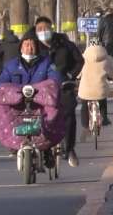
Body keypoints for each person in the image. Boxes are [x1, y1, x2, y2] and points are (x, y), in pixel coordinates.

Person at [0, 32, 63, 162]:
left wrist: (45, 88)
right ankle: (14, 144)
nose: (29, 48)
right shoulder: (11, 65)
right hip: (18, 104)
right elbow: (2, 82)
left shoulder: (47, 63)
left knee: (54, 113)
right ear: (21, 47)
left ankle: (47, 147)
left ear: (37, 47)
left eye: (32, 45)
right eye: (26, 45)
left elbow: (55, 79)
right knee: (4, 110)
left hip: (41, 103)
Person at [32, 17, 84, 167]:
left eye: (45, 28)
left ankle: (69, 149)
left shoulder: (64, 44)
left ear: (52, 28)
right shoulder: (33, 46)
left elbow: (79, 61)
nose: (43, 32)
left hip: (63, 86)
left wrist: (70, 75)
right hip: (40, 88)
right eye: (39, 29)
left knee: (68, 114)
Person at [78, 44, 113, 134]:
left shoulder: (83, 59)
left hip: (86, 90)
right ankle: (104, 119)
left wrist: (78, 77)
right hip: (100, 89)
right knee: (103, 102)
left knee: (84, 106)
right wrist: (111, 77)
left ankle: (85, 125)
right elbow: (112, 72)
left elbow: (78, 73)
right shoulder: (107, 59)